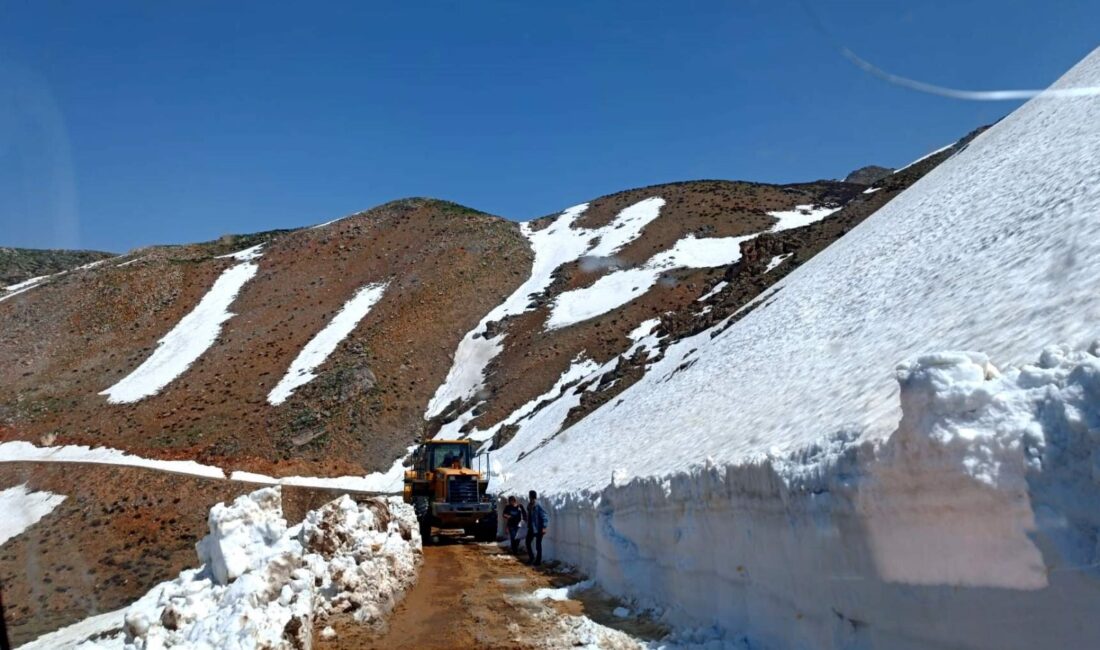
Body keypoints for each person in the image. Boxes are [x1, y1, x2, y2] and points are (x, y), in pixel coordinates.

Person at [525, 490, 549, 566]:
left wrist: (544, 527)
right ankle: (531, 558)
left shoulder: (538, 506)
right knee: (527, 542)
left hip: (538, 528)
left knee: (538, 545)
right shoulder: (529, 505)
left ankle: (538, 561)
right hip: (531, 528)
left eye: (531, 497)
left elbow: (544, 516)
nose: (530, 498)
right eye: (530, 497)